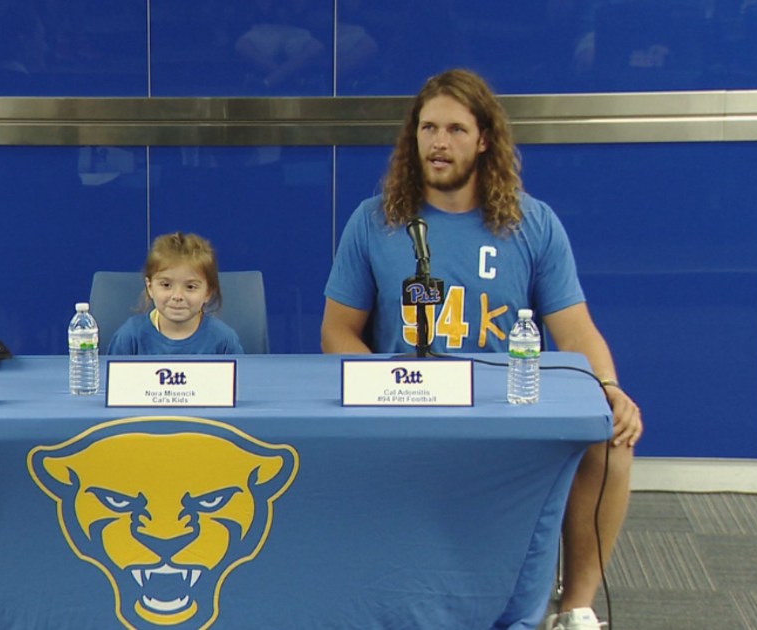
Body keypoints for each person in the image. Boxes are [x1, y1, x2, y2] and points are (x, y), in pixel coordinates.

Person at [321, 69, 642, 630]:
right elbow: (336, 332)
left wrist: (610, 388)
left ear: (485, 138)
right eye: (427, 128)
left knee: (610, 443)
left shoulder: (531, 223)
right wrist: (384, 383)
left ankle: (575, 609)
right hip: (409, 404)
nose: (438, 143)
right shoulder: (375, 222)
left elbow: (576, 332)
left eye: (454, 129)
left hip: (506, 406)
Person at [107, 232, 244, 355]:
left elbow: (241, 382)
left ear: (207, 292)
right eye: (166, 285)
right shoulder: (130, 337)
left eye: (190, 287)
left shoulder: (224, 341)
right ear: (150, 288)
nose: (177, 296)